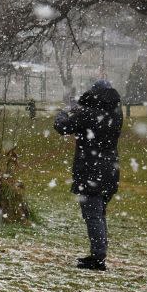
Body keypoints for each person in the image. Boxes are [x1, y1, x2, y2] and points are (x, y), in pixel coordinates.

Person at [54, 79, 123, 271]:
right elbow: (91, 119)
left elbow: (63, 127)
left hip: (91, 171)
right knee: (99, 214)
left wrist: (62, 113)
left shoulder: (88, 114)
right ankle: (98, 253)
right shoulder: (115, 113)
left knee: (93, 216)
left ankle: (98, 258)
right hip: (110, 170)